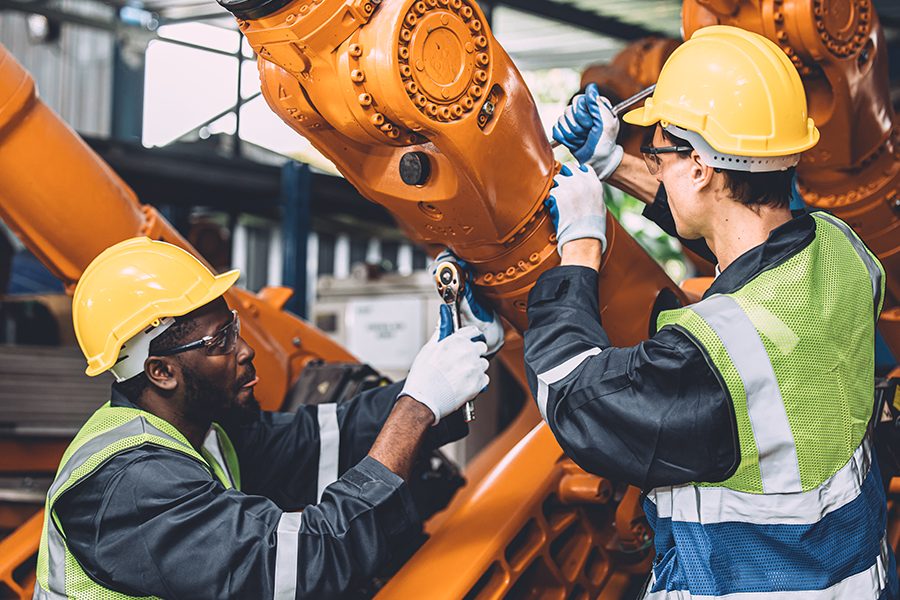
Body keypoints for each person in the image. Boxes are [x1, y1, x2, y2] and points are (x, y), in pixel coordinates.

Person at [530, 25, 897, 598]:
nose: (650, 159)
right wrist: (611, 162)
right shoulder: (841, 248)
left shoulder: (711, 359)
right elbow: (750, 245)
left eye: (658, 151)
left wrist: (580, 245)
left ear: (701, 167)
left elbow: (570, 396)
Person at [33, 236, 501, 600]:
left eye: (234, 328)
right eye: (219, 343)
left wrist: (449, 368)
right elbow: (303, 563)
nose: (246, 350)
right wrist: (414, 410)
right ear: (161, 372)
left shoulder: (201, 434)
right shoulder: (134, 485)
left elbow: (318, 440)